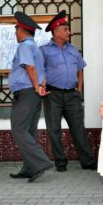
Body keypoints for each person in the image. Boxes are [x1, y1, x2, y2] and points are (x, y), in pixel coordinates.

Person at [41, 11, 96, 172]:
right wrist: (42, 86)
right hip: (53, 95)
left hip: (72, 95)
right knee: (54, 129)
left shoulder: (73, 50)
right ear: (56, 31)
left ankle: (87, 161)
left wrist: (79, 90)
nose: (69, 32)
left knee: (78, 128)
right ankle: (60, 162)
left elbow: (80, 70)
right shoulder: (44, 50)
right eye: (66, 29)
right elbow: (39, 70)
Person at [8, 11, 52, 183]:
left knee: (18, 129)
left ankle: (41, 162)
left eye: (16, 29)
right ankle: (29, 168)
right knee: (29, 131)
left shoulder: (25, 46)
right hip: (33, 92)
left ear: (21, 30)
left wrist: (35, 87)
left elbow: (30, 68)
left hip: (26, 91)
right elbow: (43, 73)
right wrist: (40, 87)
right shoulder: (36, 47)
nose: (15, 33)